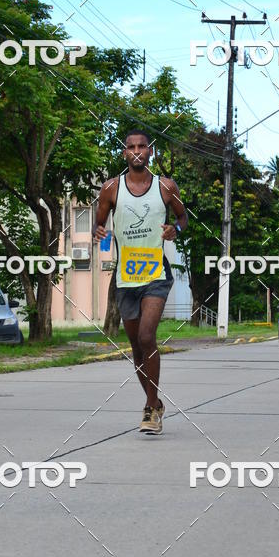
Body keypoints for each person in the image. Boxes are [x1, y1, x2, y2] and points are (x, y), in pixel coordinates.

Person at [93, 129, 188, 435]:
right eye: (131, 147)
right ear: (125, 154)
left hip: (155, 275)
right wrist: (98, 233)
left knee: (147, 336)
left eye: (142, 146)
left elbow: (183, 218)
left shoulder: (165, 186)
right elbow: (99, 223)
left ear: (150, 152)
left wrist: (176, 229)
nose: (136, 151)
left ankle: (150, 410)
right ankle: (155, 402)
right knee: (136, 346)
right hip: (125, 278)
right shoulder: (110, 189)